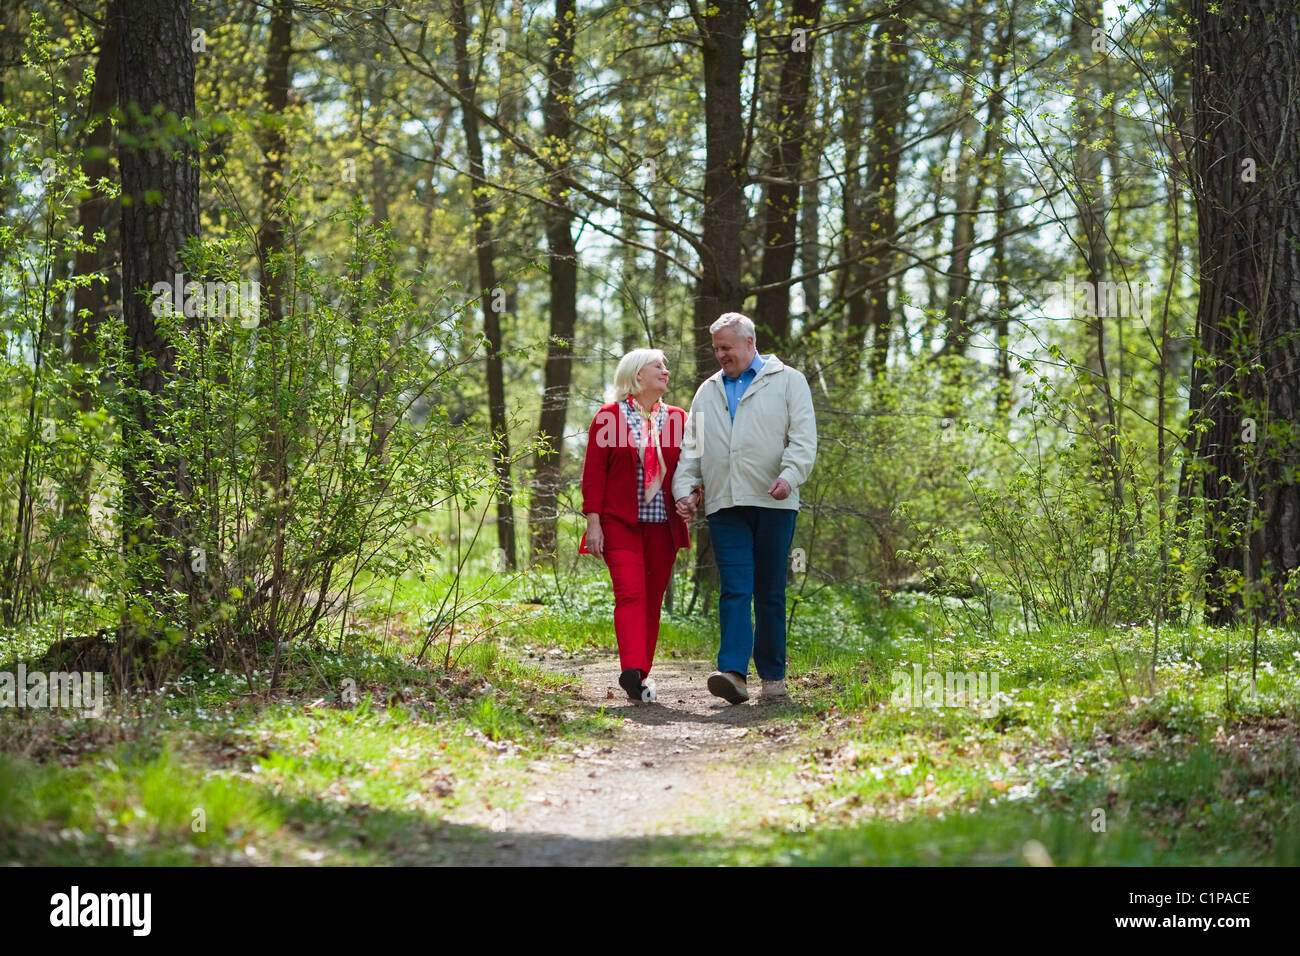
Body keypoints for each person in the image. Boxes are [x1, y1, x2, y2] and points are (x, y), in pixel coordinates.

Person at [672, 313, 817, 704]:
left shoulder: (788, 381)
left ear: (749, 343)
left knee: (769, 590)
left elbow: (803, 439)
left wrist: (790, 476)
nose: (721, 355)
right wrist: (685, 489)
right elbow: (693, 448)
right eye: (716, 348)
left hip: (775, 501)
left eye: (727, 347)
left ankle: (772, 676)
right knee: (734, 588)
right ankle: (733, 673)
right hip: (725, 503)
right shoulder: (708, 390)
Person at [580, 349, 691, 702]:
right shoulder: (607, 418)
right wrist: (593, 523)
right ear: (636, 375)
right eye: (658, 365)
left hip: (662, 526)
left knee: (652, 599)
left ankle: (638, 677)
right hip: (619, 523)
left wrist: (694, 496)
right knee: (630, 593)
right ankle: (632, 668)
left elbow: (691, 471)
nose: (666, 371)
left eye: (666, 366)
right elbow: (594, 475)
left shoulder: (679, 419)